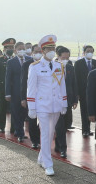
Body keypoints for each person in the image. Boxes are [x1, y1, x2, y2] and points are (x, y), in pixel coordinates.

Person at [27, 35, 67, 176]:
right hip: (42, 105)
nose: (52, 51)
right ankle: (48, 164)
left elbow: (62, 85)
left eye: (53, 48)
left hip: (56, 104)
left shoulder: (59, 65)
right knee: (45, 133)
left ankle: (41, 157)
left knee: (50, 133)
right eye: (49, 48)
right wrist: (31, 106)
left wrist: (64, 103)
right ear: (43, 51)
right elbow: (31, 88)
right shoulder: (35, 67)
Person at [54, 46, 77, 158]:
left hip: (67, 100)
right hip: (56, 101)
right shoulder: (52, 67)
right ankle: (63, 148)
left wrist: (75, 100)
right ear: (58, 57)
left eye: (67, 57)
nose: (66, 59)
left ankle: (58, 145)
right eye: (63, 57)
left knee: (66, 124)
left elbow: (73, 84)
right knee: (59, 126)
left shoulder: (70, 68)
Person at [6, 42, 31, 141]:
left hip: (26, 92)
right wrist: (7, 93)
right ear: (16, 50)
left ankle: (19, 129)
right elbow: (8, 78)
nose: (22, 50)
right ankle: (20, 133)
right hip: (15, 92)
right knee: (16, 113)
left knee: (24, 113)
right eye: (20, 48)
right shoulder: (11, 62)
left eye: (23, 48)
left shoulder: (29, 60)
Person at [74, 45, 96, 137]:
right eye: (88, 51)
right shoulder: (78, 63)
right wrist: (77, 93)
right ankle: (85, 130)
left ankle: (95, 131)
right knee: (84, 111)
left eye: (91, 51)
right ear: (84, 52)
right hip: (83, 92)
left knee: (94, 111)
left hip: (94, 92)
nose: (90, 53)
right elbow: (76, 79)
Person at [21, 44, 42, 149]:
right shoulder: (27, 65)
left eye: (40, 51)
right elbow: (23, 82)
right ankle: (34, 140)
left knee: (43, 119)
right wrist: (23, 98)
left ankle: (39, 137)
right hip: (31, 97)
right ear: (32, 52)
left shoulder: (47, 63)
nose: (38, 54)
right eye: (36, 51)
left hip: (43, 97)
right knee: (32, 120)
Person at [0, 38, 16, 133]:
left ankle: (14, 128)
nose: (10, 49)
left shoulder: (16, 59)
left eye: (12, 47)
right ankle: (2, 126)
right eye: (8, 47)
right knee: (2, 108)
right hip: (2, 87)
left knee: (14, 108)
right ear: (4, 49)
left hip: (14, 87)